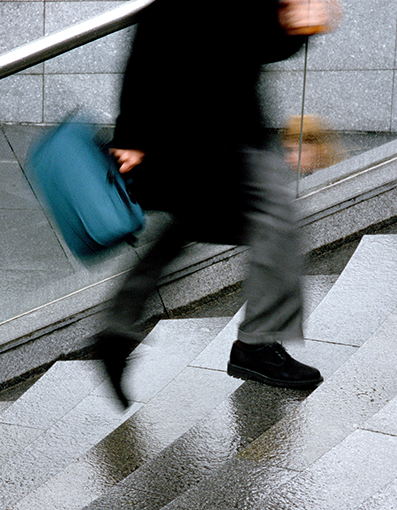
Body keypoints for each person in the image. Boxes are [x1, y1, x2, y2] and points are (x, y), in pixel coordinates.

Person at [97, 0, 340, 407]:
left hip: (212, 129)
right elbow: (153, 37)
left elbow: (253, 41)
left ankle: (118, 327)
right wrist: (131, 134)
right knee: (276, 218)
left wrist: (292, 26)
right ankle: (256, 345)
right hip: (206, 132)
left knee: (193, 223)